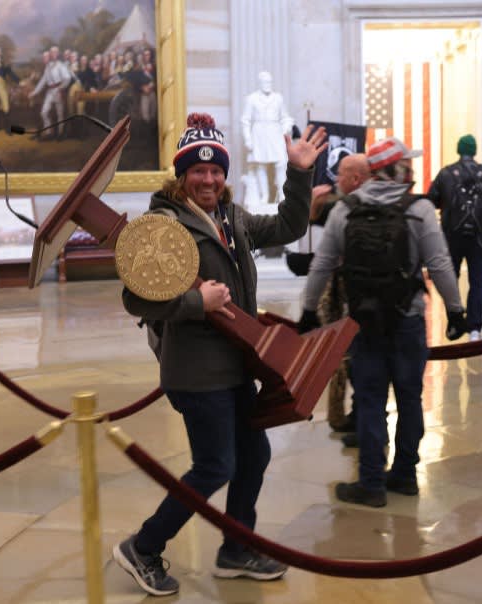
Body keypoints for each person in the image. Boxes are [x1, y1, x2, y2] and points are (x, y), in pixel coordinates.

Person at [113, 113, 327, 596]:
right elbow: (134, 299)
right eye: (197, 170)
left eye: (215, 170)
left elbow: (290, 225)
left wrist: (299, 173)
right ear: (181, 175)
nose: (208, 178)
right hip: (195, 369)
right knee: (215, 465)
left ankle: (236, 549)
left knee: (253, 453)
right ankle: (143, 548)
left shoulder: (232, 218)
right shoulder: (163, 224)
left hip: (235, 364)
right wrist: (195, 302)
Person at [297, 137, 465, 508]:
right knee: (409, 398)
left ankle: (371, 482)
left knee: (370, 399)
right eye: (408, 162)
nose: (412, 167)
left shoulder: (346, 210)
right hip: (406, 319)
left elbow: (322, 264)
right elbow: (439, 264)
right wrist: (455, 311)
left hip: (364, 322)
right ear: (398, 169)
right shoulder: (418, 209)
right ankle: (405, 475)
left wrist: (308, 310)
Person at [308, 153, 370, 434]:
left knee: (352, 359)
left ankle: (357, 418)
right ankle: (347, 416)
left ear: (356, 178)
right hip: (344, 294)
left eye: (342, 172)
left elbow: (326, 259)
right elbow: (312, 222)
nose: (336, 177)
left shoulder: (353, 206)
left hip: (354, 298)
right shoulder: (340, 204)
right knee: (346, 356)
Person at [426, 135, 482, 342]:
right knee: (477, 282)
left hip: (452, 235)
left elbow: (430, 201)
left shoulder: (445, 173)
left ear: (459, 150)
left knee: (450, 279)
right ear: (474, 151)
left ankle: (455, 321)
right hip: (478, 237)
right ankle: (475, 328)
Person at [241, 71, 295, 207]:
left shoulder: (278, 98)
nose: (267, 85)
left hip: (275, 132)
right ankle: (264, 196)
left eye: (269, 82)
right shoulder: (251, 98)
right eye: (265, 82)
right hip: (258, 133)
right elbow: (245, 120)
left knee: (280, 163)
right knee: (260, 165)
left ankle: (282, 194)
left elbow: (285, 117)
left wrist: (286, 127)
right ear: (260, 83)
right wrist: (248, 139)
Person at [29, 46, 72, 140]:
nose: (54, 54)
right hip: (50, 92)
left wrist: (61, 87)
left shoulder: (60, 65)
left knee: (60, 113)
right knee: (44, 112)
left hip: (59, 91)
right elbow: (43, 81)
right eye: (52, 52)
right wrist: (35, 92)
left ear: (57, 54)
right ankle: (49, 132)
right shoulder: (47, 67)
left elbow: (68, 78)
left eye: (55, 52)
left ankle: (60, 134)